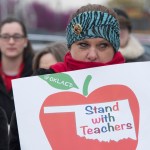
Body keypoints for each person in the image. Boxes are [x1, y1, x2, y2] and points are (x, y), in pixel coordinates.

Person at [9, 4, 125, 150]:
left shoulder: (138, 85)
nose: (92, 55)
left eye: (103, 45)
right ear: (70, 47)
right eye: (83, 44)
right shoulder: (41, 84)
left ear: (114, 49)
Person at [0, 17, 34, 124]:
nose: (11, 42)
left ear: (25, 41)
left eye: (17, 37)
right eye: (5, 37)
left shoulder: (37, 73)